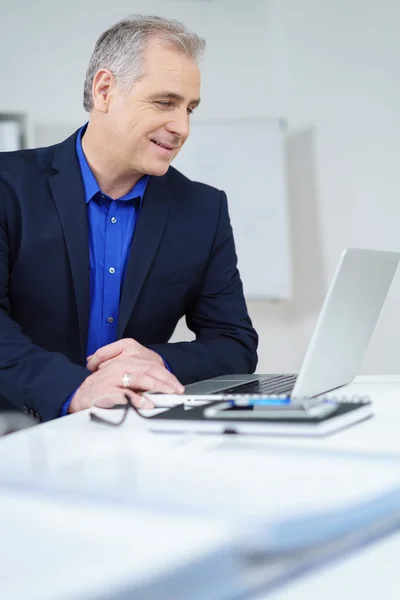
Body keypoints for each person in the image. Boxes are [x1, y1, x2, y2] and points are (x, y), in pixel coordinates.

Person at [0, 15, 258, 422]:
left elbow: (234, 343)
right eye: (165, 102)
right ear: (105, 90)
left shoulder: (203, 210)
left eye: (190, 108)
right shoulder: (7, 187)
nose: (182, 127)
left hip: (136, 434)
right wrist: (76, 388)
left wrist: (152, 360)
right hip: (14, 430)